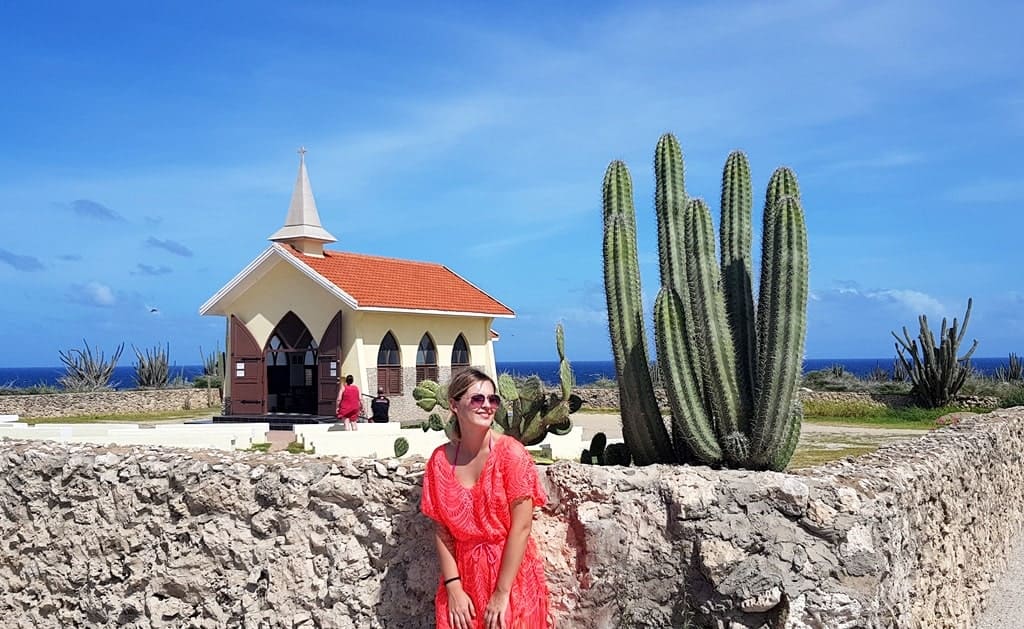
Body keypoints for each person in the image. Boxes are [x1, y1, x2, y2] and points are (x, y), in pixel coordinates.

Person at [420, 368, 551, 629]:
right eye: (477, 399)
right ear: (454, 405)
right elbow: (441, 528)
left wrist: (502, 593)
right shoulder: (440, 461)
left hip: (509, 577)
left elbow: (522, 528)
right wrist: (454, 588)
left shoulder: (511, 454)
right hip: (462, 578)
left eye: (493, 400)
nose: (487, 406)